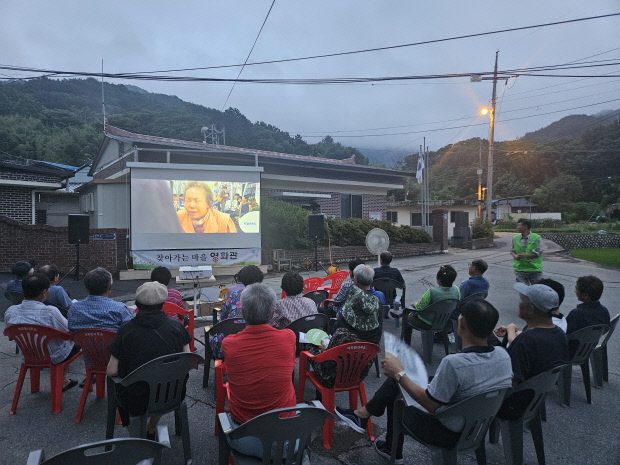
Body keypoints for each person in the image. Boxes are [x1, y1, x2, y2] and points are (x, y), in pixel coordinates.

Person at [336, 299, 513, 463]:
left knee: (397, 391)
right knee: (404, 381)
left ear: (462, 323)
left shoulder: (454, 364)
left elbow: (431, 405)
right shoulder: (503, 355)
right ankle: (364, 415)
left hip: (446, 431)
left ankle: (384, 439)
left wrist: (399, 374)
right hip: (478, 425)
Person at [107, 282, 191, 439]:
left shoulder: (126, 330)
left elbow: (111, 371)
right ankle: (151, 428)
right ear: (162, 305)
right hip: (172, 394)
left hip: (135, 398)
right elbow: (187, 360)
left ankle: (136, 434)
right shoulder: (176, 327)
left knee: (120, 384)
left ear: (137, 304)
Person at [222, 283, 297, 457]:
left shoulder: (229, 344)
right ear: (272, 314)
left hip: (246, 440)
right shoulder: (288, 337)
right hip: (287, 440)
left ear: (243, 314)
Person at [5, 273, 80, 391]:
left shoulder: (10, 311)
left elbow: (10, 334)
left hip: (28, 355)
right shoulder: (50, 311)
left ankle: (38, 386)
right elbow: (68, 330)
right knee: (76, 341)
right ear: (45, 292)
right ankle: (64, 381)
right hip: (54, 356)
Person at [494, 283, 569, 385]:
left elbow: (512, 383)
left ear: (530, 309)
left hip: (518, 398)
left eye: (521, 299)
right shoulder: (560, 334)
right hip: (537, 395)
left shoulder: (525, 341)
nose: (519, 303)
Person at [209, 265, 264, 358]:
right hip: (258, 341)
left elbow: (222, 319)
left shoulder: (234, 295)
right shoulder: (265, 296)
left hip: (232, 341)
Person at [398, 265, 460, 345]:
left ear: (438, 279)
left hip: (427, 322)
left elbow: (420, 307)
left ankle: (406, 345)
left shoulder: (432, 291)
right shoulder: (456, 290)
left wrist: (415, 304)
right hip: (444, 321)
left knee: (406, 316)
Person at [68, 268, 133, 333]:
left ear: (86, 288)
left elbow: (71, 331)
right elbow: (129, 331)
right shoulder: (120, 309)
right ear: (110, 287)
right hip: (112, 342)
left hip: (82, 343)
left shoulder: (74, 309)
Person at [510, 218, 543, 285]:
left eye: (519, 225)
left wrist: (525, 255)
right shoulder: (515, 238)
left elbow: (539, 252)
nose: (517, 227)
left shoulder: (537, 237)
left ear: (525, 227)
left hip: (534, 269)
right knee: (523, 291)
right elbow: (512, 251)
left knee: (536, 290)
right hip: (520, 269)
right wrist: (515, 256)